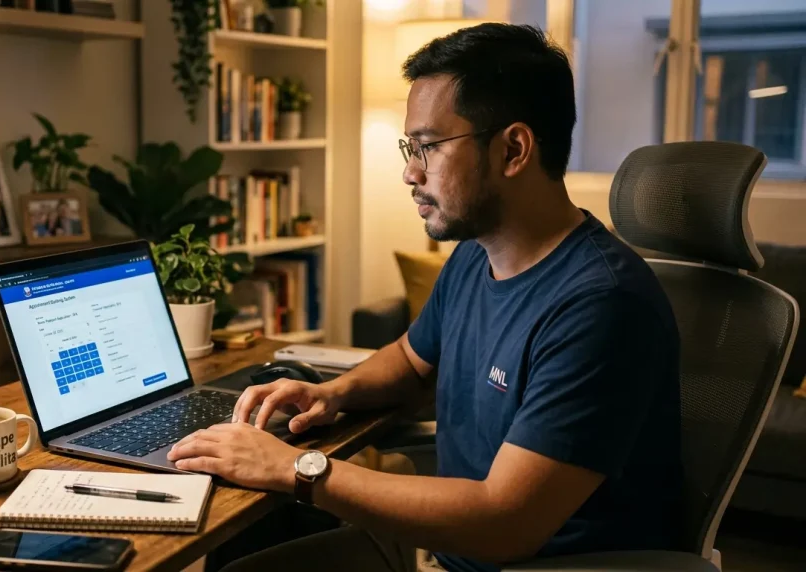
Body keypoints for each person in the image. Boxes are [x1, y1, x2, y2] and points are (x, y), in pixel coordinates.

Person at [166, 24, 682, 572]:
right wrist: (333, 393)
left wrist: (297, 468)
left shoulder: (602, 305)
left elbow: (504, 521)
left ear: (513, 149)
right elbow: (412, 363)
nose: (411, 172)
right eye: (410, 148)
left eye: (429, 147)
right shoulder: (474, 256)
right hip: (449, 552)